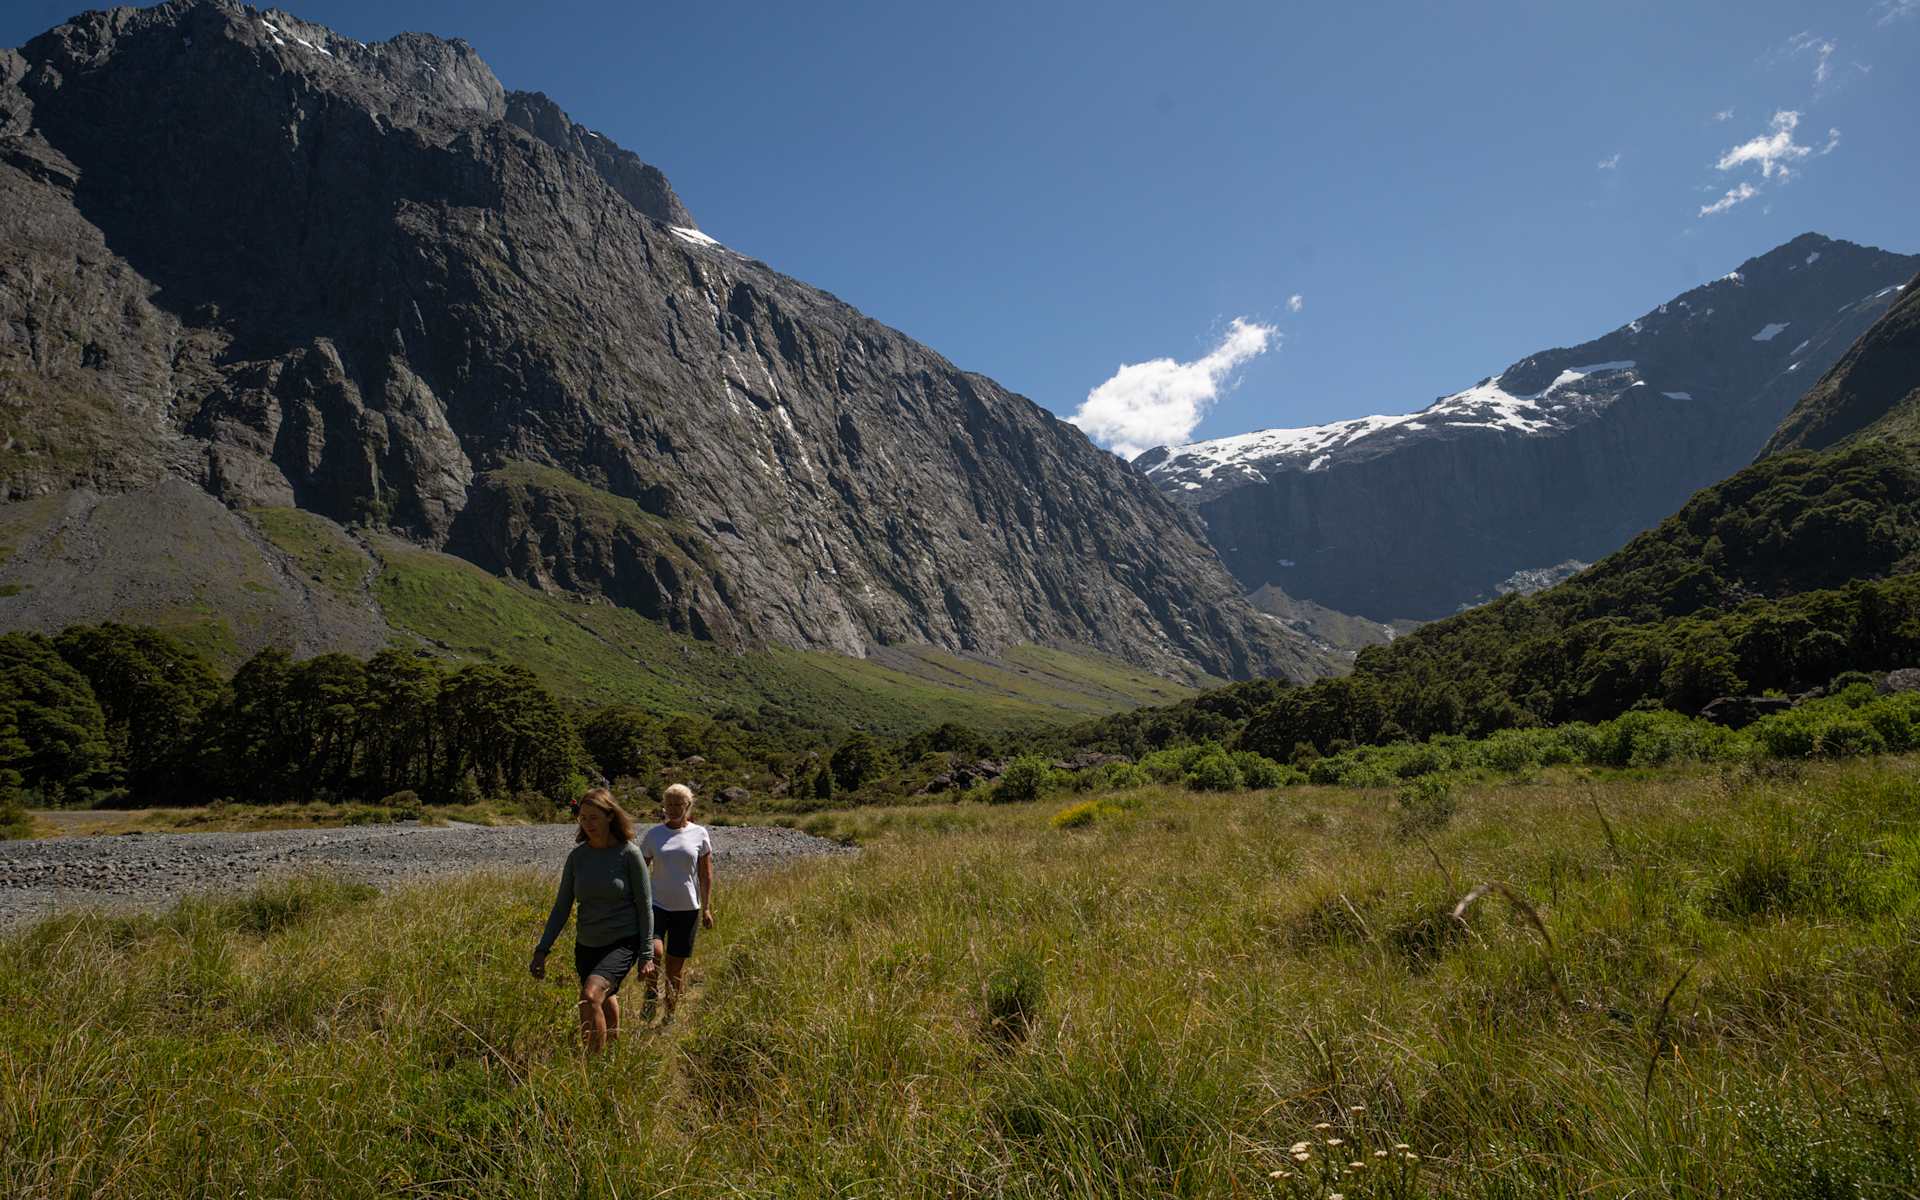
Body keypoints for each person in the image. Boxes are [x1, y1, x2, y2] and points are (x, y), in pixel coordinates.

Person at [530, 787, 654, 1053]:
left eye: (594, 818)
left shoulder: (629, 854)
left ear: (610, 816)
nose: (588, 824)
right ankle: (611, 1054)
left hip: (622, 942)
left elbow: (645, 907)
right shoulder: (578, 857)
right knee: (605, 998)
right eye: (583, 818)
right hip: (587, 944)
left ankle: (592, 1066)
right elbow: (562, 906)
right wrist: (542, 949)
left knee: (590, 996)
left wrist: (646, 954)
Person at [640, 783, 714, 1022]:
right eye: (669, 804)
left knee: (675, 969)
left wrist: (707, 908)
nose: (672, 809)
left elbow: (705, 874)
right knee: (655, 951)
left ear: (688, 806)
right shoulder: (654, 834)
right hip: (657, 905)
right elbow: (641, 870)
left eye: (678, 804)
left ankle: (670, 1014)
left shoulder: (699, 833)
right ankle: (651, 994)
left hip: (688, 909)